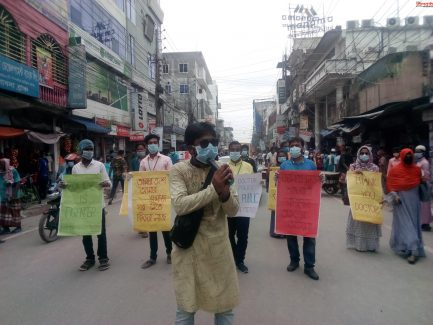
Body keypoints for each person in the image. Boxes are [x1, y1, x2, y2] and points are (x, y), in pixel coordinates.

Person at [170, 122, 239, 324]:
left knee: (225, 308)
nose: (211, 146)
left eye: (214, 141)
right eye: (205, 142)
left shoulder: (222, 170)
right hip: (188, 250)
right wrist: (213, 189)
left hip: (218, 248)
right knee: (186, 307)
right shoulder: (178, 170)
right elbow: (180, 205)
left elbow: (233, 210)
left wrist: (225, 191)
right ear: (191, 148)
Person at [279, 137, 319, 280]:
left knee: (309, 236)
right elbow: (280, 186)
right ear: (289, 148)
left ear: (302, 147)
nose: (295, 147)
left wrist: (320, 180)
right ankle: (294, 260)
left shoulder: (311, 165)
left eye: (297, 145)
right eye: (292, 145)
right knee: (291, 236)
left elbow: (314, 185)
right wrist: (277, 179)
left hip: (307, 206)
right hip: (290, 205)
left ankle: (309, 266)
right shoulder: (284, 166)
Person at [69, 139, 112, 271]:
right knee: (86, 234)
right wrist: (65, 186)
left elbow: (108, 182)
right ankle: (89, 259)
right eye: (86, 149)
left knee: (101, 233)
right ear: (81, 151)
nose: (89, 151)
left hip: (97, 205)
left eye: (91, 149)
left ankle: (103, 258)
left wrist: (105, 184)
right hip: (83, 206)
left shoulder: (99, 165)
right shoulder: (76, 168)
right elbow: (74, 187)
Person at [140, 134, 173, 269]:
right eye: (150, 142)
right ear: (147, 145)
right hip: (149, 200)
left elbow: (172, 177)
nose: (153, 144)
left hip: (163, 198)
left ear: (158, 144)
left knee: (166, 228)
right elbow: (140, 181)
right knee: (152, 228)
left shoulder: (166, 159)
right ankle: (152, 257)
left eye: (155, 142)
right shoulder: (143, 162)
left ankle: (170, 253)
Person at [387, 148, 425, 264]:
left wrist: (423, 181)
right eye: (406, 155)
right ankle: (413, 250)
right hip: (401, 201)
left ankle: (410, 247)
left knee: (413, 225)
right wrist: (395, 196)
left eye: (410, 155)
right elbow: (391, 184)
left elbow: (421, 183)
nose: (408, 157)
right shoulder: (395, 170)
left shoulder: (417, 170)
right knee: (406, 224)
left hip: (414, 202)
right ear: (402, 157)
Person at [346, 146, 381, 252]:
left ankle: (371, 246)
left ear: (370, 155)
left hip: (370, 200)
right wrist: (355, 174)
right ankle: (359, 245)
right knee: (359, 222)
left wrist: (365, 175)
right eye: (362, 153)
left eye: (366, 153)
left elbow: (377, 184)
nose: (364, 155)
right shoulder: (353, 167)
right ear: (358, 154)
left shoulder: (375, 168)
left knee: (370, 222)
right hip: (357, 201)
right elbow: (349, 182)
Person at [227, 141, 254, 274]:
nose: (235, 152)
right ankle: (233, 256)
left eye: (237, 149)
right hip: (228, 205)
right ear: (228, 150)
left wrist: (258, 184)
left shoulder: (248, 166)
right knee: (229, 234)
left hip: (244, 206)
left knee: (243, 235)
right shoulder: (223, 166)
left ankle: (240, 260)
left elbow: (254, 184)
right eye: (232, 149)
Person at [0, 158, 22, 235]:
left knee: (15, 211)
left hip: (13, 195)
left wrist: (13, 194)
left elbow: (18, 182)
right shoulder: (0, 172)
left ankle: (18, 227)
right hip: (3, 195)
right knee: (4, 213)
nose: (1, 167)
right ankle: (6, 228)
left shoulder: (12, 170)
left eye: (2, 165)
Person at [269, 149, 288, 238]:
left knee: (286, 213)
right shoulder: (274, 167)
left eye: (283, 156)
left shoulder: (290, 166)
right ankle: (275, 232)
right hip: (276, 193)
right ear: (277, 158)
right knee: (275, 212)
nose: (281, 158)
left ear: (287, 157)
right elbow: (271, 181)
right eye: (280, 156)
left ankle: (286, 232)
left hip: (287, 193)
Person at [415, 145, 432, 231]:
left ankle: (425, 223)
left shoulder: (424, 163)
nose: (417, 153)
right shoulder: (419, 161)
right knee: (421, 205)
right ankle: (423, 222)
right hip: (420, 184)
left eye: (419, 151)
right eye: (416, 151)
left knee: (425, 205)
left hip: (424, 185)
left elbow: (425, 175)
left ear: (423, 152)